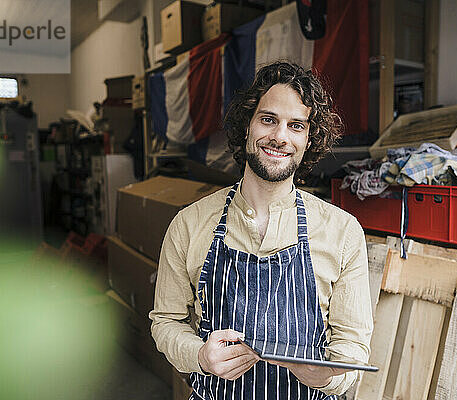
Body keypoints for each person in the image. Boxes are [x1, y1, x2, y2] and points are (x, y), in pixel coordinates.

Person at [150, 61, 373, 399]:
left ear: (309, 139)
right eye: (268, 120)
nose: (279, 137)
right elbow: (165, 322)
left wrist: (326, 377)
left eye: (296, 125)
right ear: (247, 127)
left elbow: (353, 346)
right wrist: (200, 356)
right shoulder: (189, 224)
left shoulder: (343, 232)